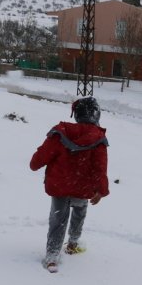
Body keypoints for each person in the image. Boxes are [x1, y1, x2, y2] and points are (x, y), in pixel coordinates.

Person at [30, 96, 109, 273]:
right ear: (96, 115)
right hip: (82, 188)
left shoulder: (60, 133)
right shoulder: (98, 138)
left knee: (58, 219)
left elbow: (41, 156)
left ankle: (52, 256)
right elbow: (100, 168)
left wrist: (35, 163)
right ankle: (73, 243)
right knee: (79, 212)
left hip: (60, 187)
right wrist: (101, 190)